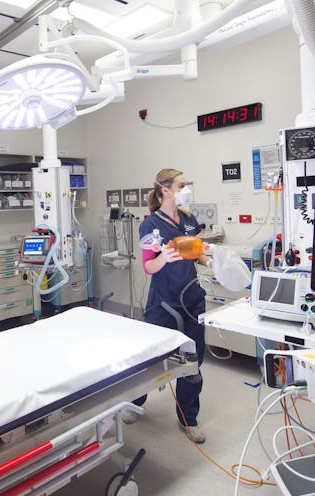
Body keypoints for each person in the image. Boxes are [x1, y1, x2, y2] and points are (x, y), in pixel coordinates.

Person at [125, 168, 210, 444]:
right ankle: (135, 402)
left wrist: (212, 260)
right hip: (164, 302)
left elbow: (196, 254)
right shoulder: (150, 225)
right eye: (182, 185)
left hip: (192, 299)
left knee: (193, 362)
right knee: (150, 358)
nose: (186, 189)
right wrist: (165, 258)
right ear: (165, 189)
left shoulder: (188, 219)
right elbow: (149, 266)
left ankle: (189, 418)